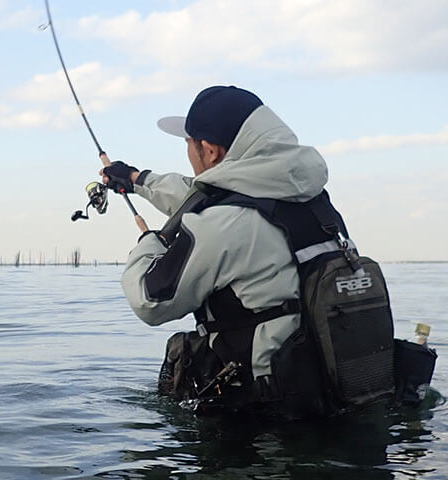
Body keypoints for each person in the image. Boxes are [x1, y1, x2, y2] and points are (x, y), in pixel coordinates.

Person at [98, 85, 345, 417]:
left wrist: (149, 244)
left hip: (264, 420)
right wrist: (136, 178)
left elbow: (150, 301)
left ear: (210, 151)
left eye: (189, 144)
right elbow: (204, 196)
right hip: (327, 392)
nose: (188, 152)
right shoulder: (312, 201)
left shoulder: (225, 224)